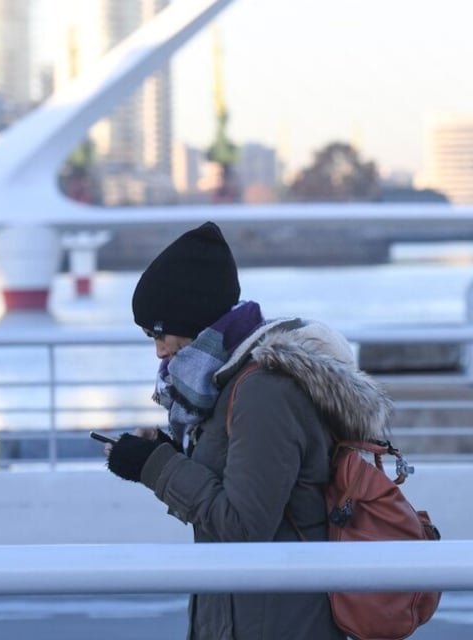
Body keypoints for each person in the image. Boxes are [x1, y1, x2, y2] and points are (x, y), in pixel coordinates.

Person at [103, 221, 393, 639]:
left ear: (194, 316)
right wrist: (166, 454)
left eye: (160, 332)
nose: (158, 350)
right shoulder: (227, 380)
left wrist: (157, 467)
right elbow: (239, 487)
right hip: (248, 612)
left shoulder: (264, 391)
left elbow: (243, 526)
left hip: (276, 621)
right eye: (149, 335)